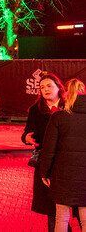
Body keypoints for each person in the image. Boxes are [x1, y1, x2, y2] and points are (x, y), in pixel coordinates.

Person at [40, 78, 86, 232]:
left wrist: (44, 172)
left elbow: (49, 149)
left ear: (66, 94)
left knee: (62, 217)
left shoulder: (58, 117)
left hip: (62, 175)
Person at [22, 72, 65, 231]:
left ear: (58, 87)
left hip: (66, 161)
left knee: (70, 204)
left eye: (49, 86)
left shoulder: (69, 105)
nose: (45, 89)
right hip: (46, 162)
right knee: (51, 207)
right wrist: (27, 137)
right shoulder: (35, 109)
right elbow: (26, 132)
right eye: (41, 87)